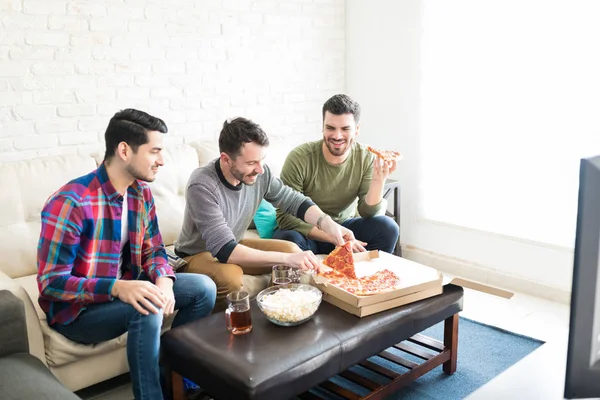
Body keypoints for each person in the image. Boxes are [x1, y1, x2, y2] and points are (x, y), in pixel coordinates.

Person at [37, 109, 216, 400]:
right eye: (154, 151)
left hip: (128, 289)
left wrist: (164, 280)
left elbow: (154, 249)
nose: (162, 160)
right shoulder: (71, 202)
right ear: (124, 150)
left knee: (203, 289)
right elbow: (51, 283)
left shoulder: (140, 193)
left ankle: (171, 375)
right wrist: (118, 287)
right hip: (80, 311)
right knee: (146, 306)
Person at [175, 117, 358, 311]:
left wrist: (329, 225)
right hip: (196, 254)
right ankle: (222, 333)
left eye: (261, 160)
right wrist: (286, 260)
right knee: (232, 279)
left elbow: (294, 201)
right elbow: (225, 250)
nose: (260, 169)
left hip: (234, 243)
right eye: (252, 162)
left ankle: (278, 313)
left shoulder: (261, 173)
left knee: (294, 252)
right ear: (226, 159)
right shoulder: (202, 185)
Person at [273, 94, 400, 255]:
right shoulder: (299, 158)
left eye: (345, 129)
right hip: (308, 232)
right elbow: (286, 218)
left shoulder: (366, 157)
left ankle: (367, 276)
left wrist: (378, 180)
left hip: (347, 229)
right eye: (330, 128)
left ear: (357, 129)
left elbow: (369, 213)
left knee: (388, 227)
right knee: (288, 239)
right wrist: (333, 235)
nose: (337, 136)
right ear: (322, 127)